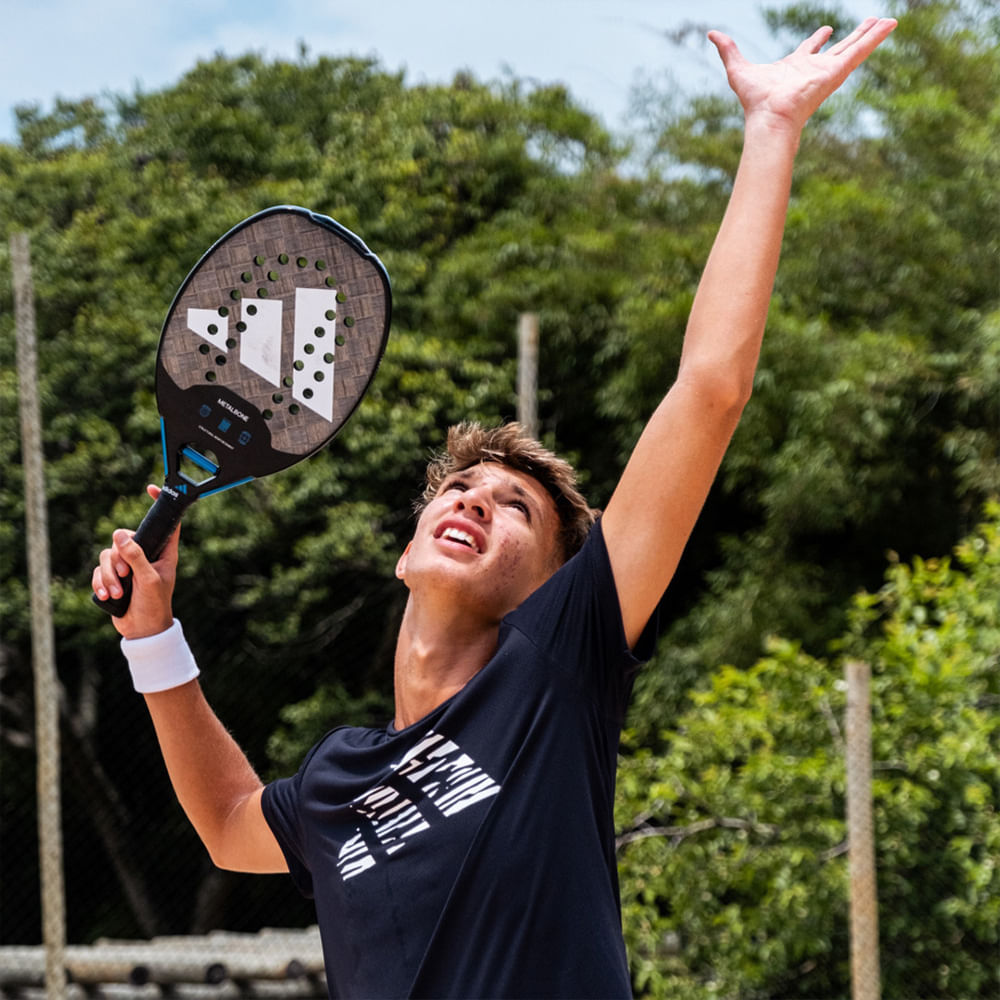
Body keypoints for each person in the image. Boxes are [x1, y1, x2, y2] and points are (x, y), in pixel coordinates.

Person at [93, 17, 898, 999]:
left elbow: (710, 389)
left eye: (512, 504)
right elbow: (226, 823)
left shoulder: (555, 669)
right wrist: (153, 636)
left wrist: (771, 126)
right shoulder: (343, 777)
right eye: (458, 487)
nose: (470, 498)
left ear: (558, 587)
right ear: (407, 547)